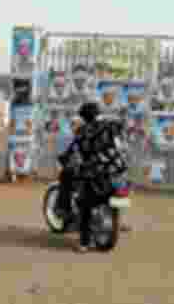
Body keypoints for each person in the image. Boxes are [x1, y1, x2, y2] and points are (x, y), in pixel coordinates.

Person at [56, 102, 130, 253]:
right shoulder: (113, 125)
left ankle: (84, 242)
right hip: (119, 172)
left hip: (98, 176)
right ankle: (118, 222)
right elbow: (123, 127)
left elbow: (72, 152)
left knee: (84, 204)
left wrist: (64, 159)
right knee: (118, 190)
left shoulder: (84, 132)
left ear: (84, 118)